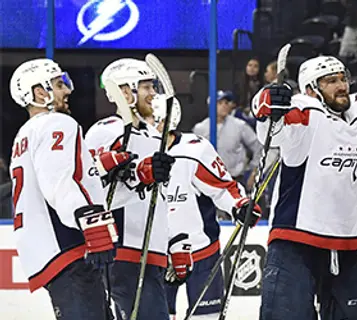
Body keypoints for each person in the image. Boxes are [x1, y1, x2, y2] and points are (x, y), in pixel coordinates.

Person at [252, 56, 357, 319]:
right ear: (311, 89)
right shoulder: (306, 112)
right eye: (331, 81)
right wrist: (267, 106)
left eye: (343, 79)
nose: (342, 86)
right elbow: (272, 133)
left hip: (345, 246)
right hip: (295, 242)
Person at [9, 58, 117, 319]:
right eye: (60, 84)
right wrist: (88, 220)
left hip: (44, 249)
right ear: (39, 92)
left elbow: (55, 173)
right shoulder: (56, 123)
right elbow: (57, 182)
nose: (68, 90)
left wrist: (101, 166)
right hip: (67, 245)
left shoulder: (23, 135)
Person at [149, 95, 261, 319]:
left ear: (168, 122)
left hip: (200, 253)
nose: (151, 127)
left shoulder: (194, 150)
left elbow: (222, 187)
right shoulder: (138, 152)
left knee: (206, 317)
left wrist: (239, 205)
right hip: (156, 256)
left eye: (155, 120)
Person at [85, 58, 176, 320]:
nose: (153, 94)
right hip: (124, 250)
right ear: (125, 92)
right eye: (146, 87)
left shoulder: (151, 134)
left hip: (150, 251)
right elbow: (93, 183)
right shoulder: (107, 130)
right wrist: (135, 172)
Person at [193, 91, 261, 189]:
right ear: (211, 106)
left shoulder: (239, 125)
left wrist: (254, 171)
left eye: (226, 103)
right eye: (220, 103)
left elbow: (258, 146)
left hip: (234, 180)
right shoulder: (200, 128)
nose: (224, 106)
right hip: (208, 183)